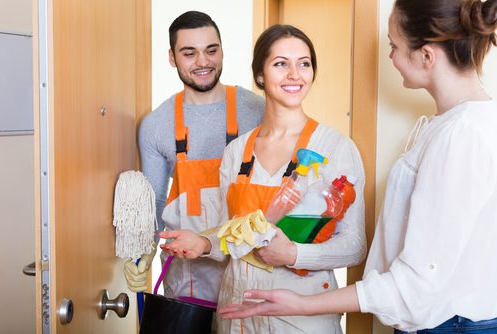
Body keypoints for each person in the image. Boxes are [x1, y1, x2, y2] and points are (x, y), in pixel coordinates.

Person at [219, 0, 497, 333]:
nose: (390, 57)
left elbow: (415, 282)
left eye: (394, 46)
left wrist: (303, 301)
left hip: (448, 326)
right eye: (280, 64)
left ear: (426, 56)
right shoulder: (446, 126)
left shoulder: (461, 134)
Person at [159, 24, 366, 333]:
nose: (295, 74)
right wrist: (203, 242)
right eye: (281, 63)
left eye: (304, 63)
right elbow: (233, 235)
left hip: (300, 320)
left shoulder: (334, 148)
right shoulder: (236, 152)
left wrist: (294, 254)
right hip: (237, 315)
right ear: (259, 75)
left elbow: (354, 246)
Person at [123, 10, 265, 306]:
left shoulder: (258, 111)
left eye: (211, 50)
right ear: (172, 58)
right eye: (189, 53)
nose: (203, 62)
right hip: (187, 281)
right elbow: (156, 202)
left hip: (248, 272)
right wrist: (144, 251)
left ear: (222, 51)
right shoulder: (156, 125)